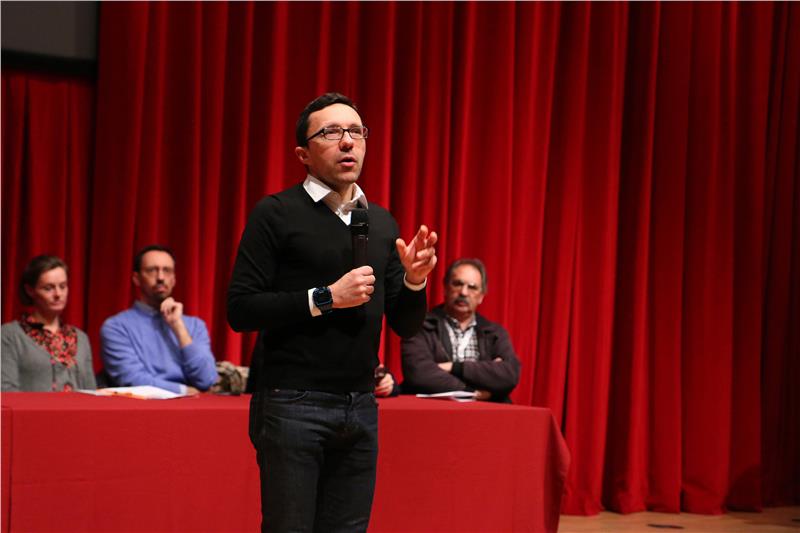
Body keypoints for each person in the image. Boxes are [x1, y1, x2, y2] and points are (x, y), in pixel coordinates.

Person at [227, 92, 437, 533]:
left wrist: (415, 281)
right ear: (303, 154)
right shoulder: (276, 213)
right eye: (331, 132)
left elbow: (405, 323)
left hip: (361, 406)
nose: (347, 141)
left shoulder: (381, 222)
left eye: (356, 131)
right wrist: (325, 298)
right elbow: (241, 308)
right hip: (292, 403)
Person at [100, 245, 217, 394]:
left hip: (195, 405)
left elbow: (207, 379)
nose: (161, 277)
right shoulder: (116, 327)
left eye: (167, 270)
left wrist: (178, 327)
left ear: (174, 279)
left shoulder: (195, 325)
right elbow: (132, 379)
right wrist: (184, 390)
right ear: (136, 278)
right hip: (146, 406)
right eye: (152, 270)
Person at [401, 258, 520, 403]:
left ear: (481, 296)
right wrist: (470, 391)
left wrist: (454, 367)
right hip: (434, 410)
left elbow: (509, 375)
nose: (463, 292)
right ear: (445, 288)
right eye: (457, 284)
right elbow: (419, 373)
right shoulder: (420, 326)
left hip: (485, 413)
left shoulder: (495, 333)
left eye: (472, 287)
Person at [2, 255, 97, 391]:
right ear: (30, 290)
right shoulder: (10, 335)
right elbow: (5, 390)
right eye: (48, 288)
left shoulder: (80, 338)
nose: (58, 294)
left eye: (63, 286)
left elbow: (91, 391)